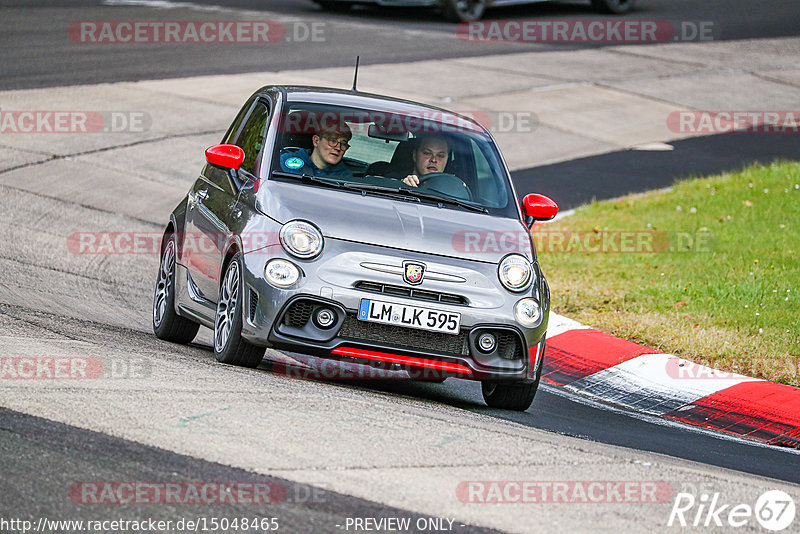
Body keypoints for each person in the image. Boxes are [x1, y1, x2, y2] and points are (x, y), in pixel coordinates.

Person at [280, 124, 353, 177]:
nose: (338, 148)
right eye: (332, 141)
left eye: (343, 143)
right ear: (316, 141)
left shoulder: (345, 177)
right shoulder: (288, 161)